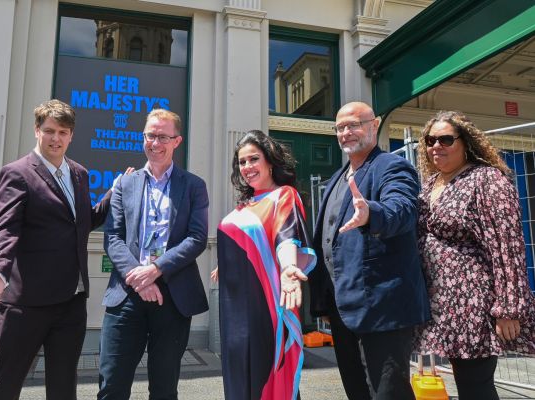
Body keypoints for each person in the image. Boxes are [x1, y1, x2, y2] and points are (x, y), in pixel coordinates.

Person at [0, 99, 113, 400]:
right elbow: (6, 228)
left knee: (63, 388)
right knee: (6, 385)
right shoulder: (18, 173)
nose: (55, 139)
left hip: (71, 301)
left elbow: (85, 220)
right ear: (37, 131)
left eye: (63, 132)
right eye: (49, 131)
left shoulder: (79, 174)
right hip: (27, 303)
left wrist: (117, 190)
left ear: (71, 135)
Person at [308, 101, 430, 400]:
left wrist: (372, 213)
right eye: (340, 127)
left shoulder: (391, 166)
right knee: (357, 391)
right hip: (342, 308)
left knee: (388, 392)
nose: (346, 132)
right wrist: (324, 302)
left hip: (381, 305)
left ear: (374, 125)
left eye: (354, 124)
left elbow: (401, 210)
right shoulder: (338, 177)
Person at [414, 110, 535, 400]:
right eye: (430, 141)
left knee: (475, 384)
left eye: (445, 139)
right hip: (440, 300)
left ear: (465, 142)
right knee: (462, 381)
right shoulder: (431, 184)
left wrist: (508, 308)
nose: (436, 147)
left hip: (473, 301)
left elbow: (508, 247)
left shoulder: (487, 180)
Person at [97, 109, 209, 400]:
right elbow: (113, 236)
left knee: (163, 388)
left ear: (177, 141)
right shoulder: (124, 184)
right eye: (150, 135)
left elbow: (197, 238)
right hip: (127, 294)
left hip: (172, 298)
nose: (155, 143)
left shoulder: (194, 186)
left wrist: (156, 269)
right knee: (111, 386)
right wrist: (141, 279)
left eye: (163, 137)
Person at [214, 130, 316, 400]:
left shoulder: (284, 195)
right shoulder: (245, 205)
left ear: (270, 161)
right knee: (238, 373)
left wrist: (289, 271)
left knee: (263, 372)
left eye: (253, 159)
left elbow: (285, 236)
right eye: (242, 162)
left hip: (265, 305)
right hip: (233, 307)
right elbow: (249, 243)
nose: (247, 167)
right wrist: (230, 263)